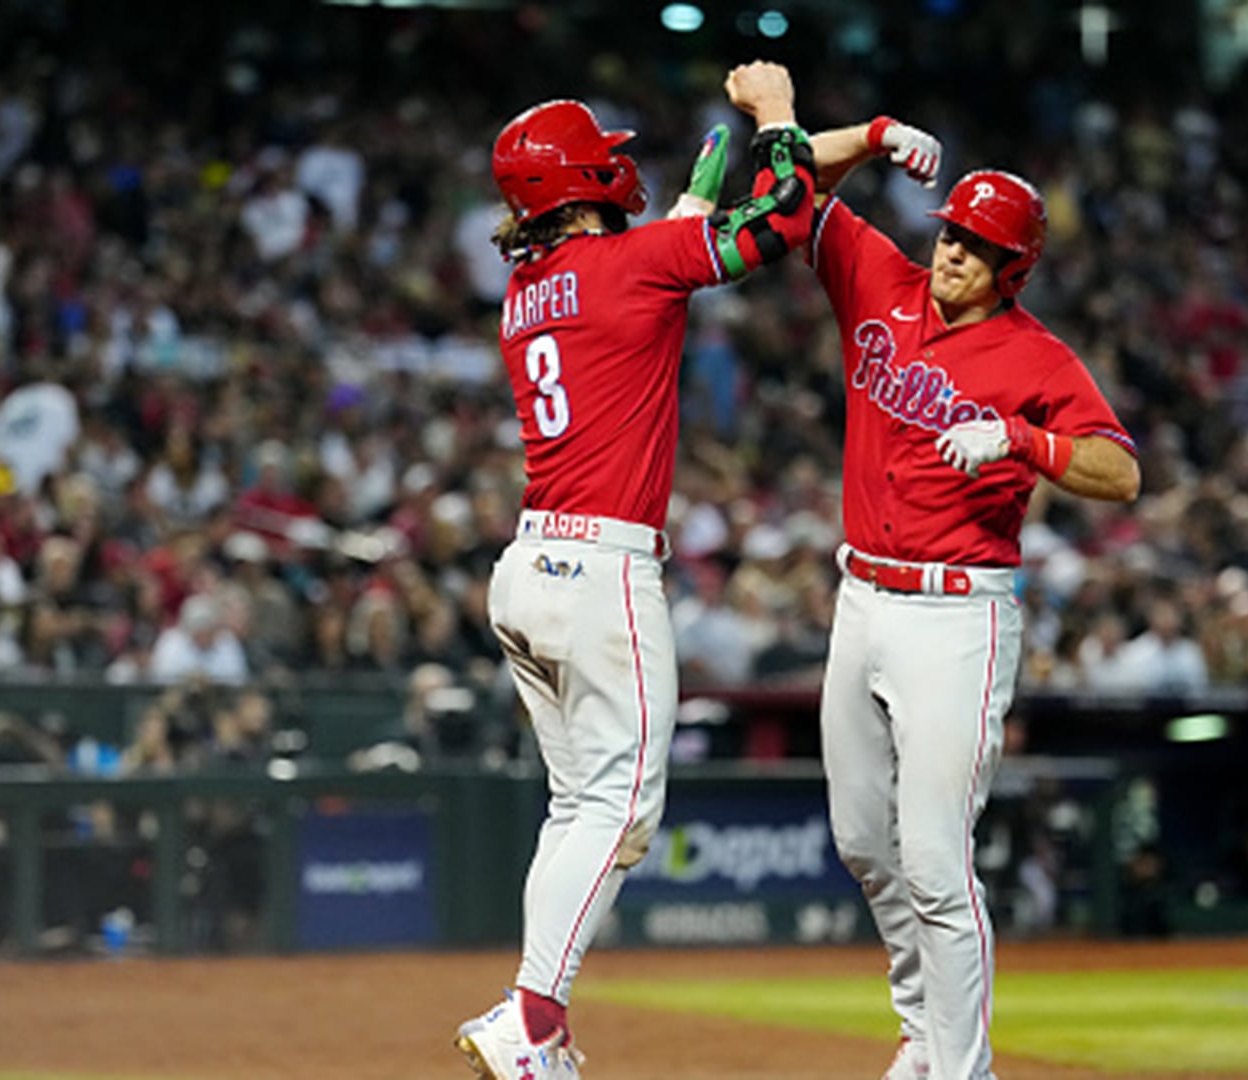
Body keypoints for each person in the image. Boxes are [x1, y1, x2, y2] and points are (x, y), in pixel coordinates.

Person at [452, 62, 817, 1080]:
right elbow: (782, 219)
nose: (621, 172)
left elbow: (628, 299)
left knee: (579, 807)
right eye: (602, 165)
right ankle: (530, 1018)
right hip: (602, 573)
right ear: (578, 185)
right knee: (621, 808)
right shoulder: (633, 262)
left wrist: (687, 215)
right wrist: (778, 119)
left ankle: (537, 1026)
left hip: (529, 564)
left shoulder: (526, 291)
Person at [785, 111, 1138, 1078]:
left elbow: (1119, 473)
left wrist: (1026, 442)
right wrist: (866, 136)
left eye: (979, 247)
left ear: (1011, 269)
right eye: (951, 232)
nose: (953, 253)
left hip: (959, 610)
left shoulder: (1038, 358)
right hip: (863, 599)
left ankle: (963, 1067)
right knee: (864, 839)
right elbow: (789, 179)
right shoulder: (880, 282)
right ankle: (922, 1036)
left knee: (935, 858)